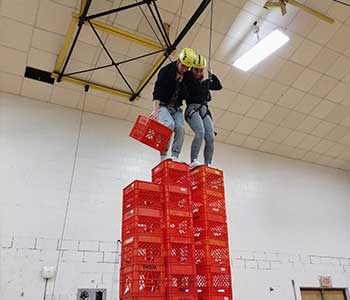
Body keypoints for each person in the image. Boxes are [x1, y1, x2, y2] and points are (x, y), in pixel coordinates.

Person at [150, 48, 196, 162]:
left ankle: (175, 156)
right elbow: (157, 93)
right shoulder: (165, 71)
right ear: (178, 61)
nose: (184, 69)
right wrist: (155, 111)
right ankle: (163, 155)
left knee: (180, 128)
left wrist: (181, 82)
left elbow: (189, 94)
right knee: (169, 125)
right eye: (183, 66)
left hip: (176, 108)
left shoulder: (188, 75)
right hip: (163, 106)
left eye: (187, 67)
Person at [184, 54, 223, 168]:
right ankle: (194, 160)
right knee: (200, 132)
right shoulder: (188, 79)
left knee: (210, 137)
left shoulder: (205, 83)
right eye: (196, 70)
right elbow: (184, 72)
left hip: (204, 110)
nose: (198, 73)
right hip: (192, 109)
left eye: (201, 71)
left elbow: (218, 86)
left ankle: (208, 164)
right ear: (192, 69)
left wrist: (212, 75)